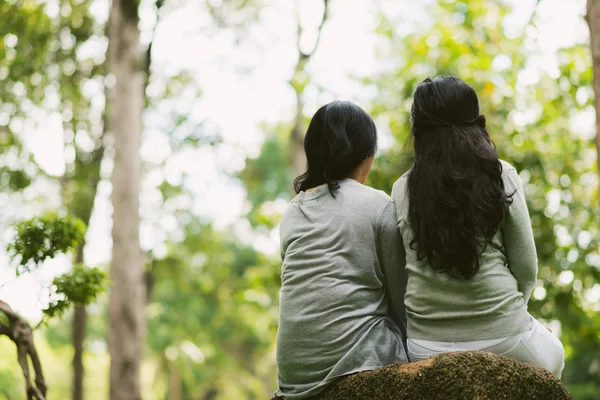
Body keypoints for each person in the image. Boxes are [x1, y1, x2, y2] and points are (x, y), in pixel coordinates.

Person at [391, 76, 564, 378]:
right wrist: (512, 319)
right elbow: (526, 269)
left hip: (424, 344)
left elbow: (399, 276)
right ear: (476, 122)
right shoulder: (501, 175)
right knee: (555, 356)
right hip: (505, 337)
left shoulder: (400, 189)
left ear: (417, 129)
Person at [274, 101, 409, 399]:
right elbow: (401, 301)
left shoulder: (292, 212)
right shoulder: (378, 205)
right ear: (366, 156)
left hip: (293, 374)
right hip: (354, 362)